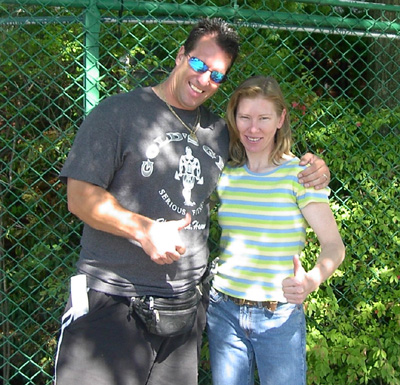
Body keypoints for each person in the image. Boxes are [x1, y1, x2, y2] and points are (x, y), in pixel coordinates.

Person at [54, 18, 331, 385]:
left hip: (184, 312)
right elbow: (79, 196)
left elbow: (262, 156)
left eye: (216, 76)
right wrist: (143, 230)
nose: (204, 80)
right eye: (199, 65)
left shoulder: (218, 133)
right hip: (113, 299)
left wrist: (314, 167)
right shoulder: (118, 113)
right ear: (181, 55)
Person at [206, 75, 345, 385]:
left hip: (278, 316)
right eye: (245, 117)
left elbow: (334, 246)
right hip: (223, 311)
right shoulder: (224, 175)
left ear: (281, 118)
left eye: (263, 118)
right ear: (234, 118)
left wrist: (311, 280)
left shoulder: (300, 176)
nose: (253, 128)